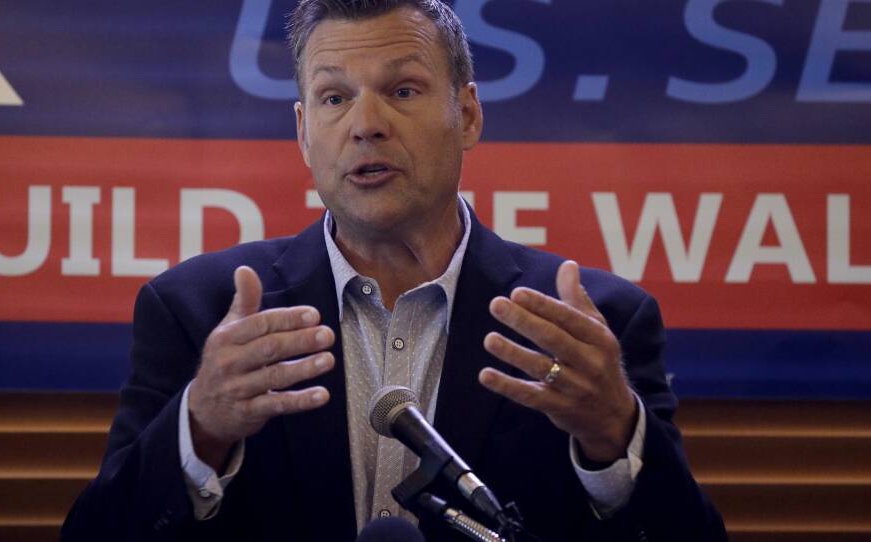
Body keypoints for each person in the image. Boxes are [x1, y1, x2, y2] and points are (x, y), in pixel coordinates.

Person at [62, 1, 727, 540]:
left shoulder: (589, 325)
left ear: (466, 115)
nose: (365, 124)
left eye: (402, 89)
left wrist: (614, 435)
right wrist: (200, 428)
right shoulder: (196, 314)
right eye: (333, 99)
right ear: (302, 132)